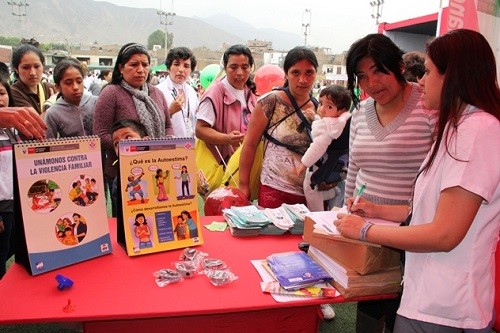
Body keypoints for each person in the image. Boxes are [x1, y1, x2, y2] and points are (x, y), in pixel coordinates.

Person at [335, 29, 500, 333]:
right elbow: (427, 209)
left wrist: (366, 230)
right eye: (362, 76)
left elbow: (444, 233)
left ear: (454, 76)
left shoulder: (476, 132)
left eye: (428, 72)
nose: (422, 81)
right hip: (430, 294)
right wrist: (374, 210)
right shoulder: (461, 128)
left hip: (446, 305)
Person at [343, 33, 438, 333]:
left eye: (379, 71)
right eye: (362, 76)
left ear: (398, 66)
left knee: (402, 311)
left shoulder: (429, 106)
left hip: (413, 234)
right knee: (369, 315)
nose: (371, 84)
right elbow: (354, 167)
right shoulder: (360, 112)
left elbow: (439, 178)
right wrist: (348, 208)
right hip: (366, 231)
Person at [93, 42, 173, 209]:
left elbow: (167, 125)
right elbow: (100, 134)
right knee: (127, 226)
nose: (141, 69)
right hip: (123, 174)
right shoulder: (111, 93)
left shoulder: (156, 93)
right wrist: (131, 148)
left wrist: (166, 143)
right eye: (134, 64)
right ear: (121, 68)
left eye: (145, 64)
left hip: (156, 169)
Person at [238, 46, 318, 209]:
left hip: (308, 195)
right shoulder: (269, 102)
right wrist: (243, 185)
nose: (302, 80)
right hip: (273, 190)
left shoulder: (322, 109)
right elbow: (250, 145)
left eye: (308, 72)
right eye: (296, 72)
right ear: (286, 74)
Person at [196, 44, 257, 165]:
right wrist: (227, 139)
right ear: (225, 67)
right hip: (223, 166)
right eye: (233, 67)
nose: (239, 73)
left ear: (251, 68)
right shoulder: (215, 93)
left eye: (245, 67)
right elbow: (200, 129)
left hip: (246, 164)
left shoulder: (251, 92)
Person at [295, 85, 352, 212]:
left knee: (310, 185)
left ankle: (316, 215)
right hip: (340, 169)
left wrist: (304, 164)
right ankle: (335, 198)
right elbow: (325, 123)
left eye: (329, 106)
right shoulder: (343, 122)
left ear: (341, 110)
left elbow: (318, 146)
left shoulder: (330, 127)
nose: (322, 109)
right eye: (321, 103)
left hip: (328, 168)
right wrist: (315, 117)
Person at [44, 58, 97, 138]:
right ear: (58, 87)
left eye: (79, 81)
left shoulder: (96, 102)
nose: (75, 87)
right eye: (68, 83)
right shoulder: (53, 113)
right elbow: (49, 144)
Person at [157, 47, 199, 137]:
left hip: (191, 146)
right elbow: (152, 123)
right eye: (176, 64)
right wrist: (170, 112)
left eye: (186, 66)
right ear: (168, 68)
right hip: (169, 147)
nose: (181, 69)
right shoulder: (158, 91)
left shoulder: (191, 91)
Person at [110, 118, 148, 216]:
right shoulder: (118, 182)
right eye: (116, 143)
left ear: (146, 141)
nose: (122, 145)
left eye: (128, 138)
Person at [10, 43, 54, 117]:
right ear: (16, 69)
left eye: (37, 66)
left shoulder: (49, 88)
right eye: (26, 68)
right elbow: (36, 124)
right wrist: (52, 104)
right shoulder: (13, 93)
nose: (32, 73)